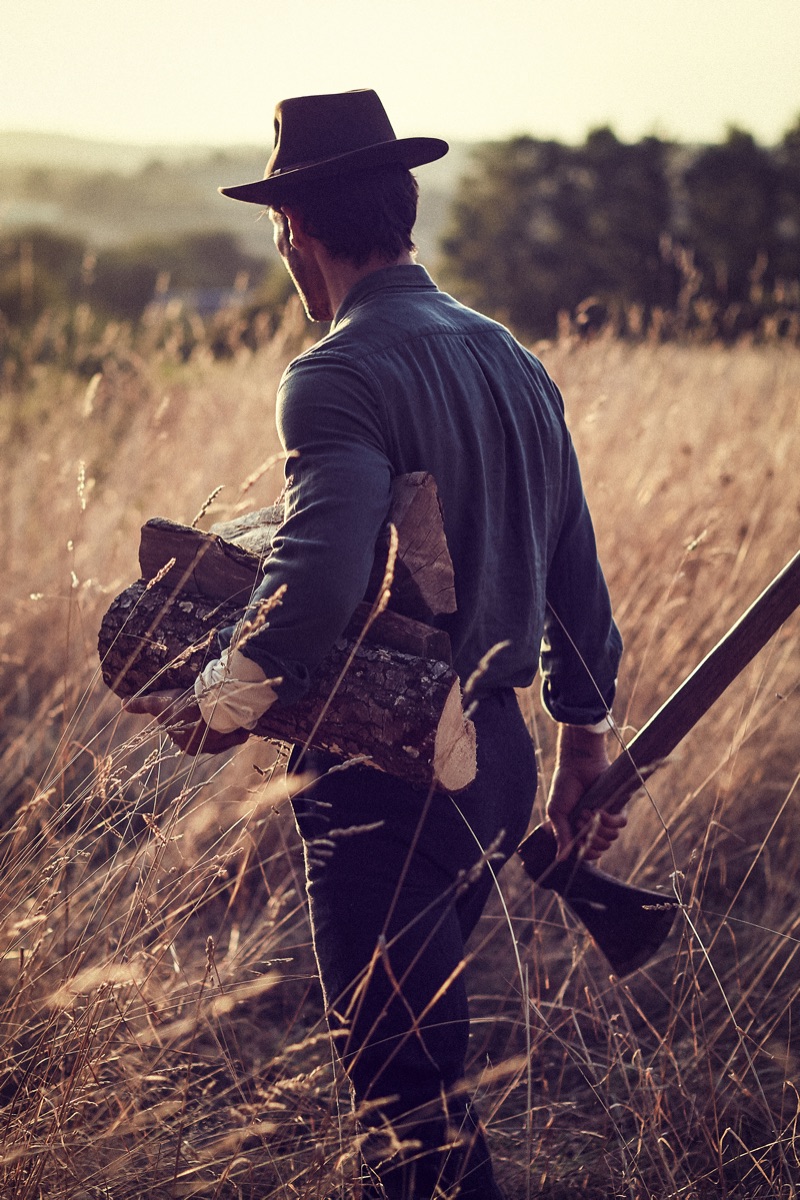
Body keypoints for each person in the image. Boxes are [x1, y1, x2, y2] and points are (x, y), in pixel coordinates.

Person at [126, 89, 626, 1200]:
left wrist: (221, 697)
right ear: (400, 210)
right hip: (496, 767)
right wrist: (582, 740)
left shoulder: (336, 371)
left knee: (405, 1096)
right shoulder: (509, 355)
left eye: (280, 233)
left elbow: (318, 578)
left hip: (390, 779)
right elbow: (574, 576)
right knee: (420, 1068)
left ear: (293, 231)